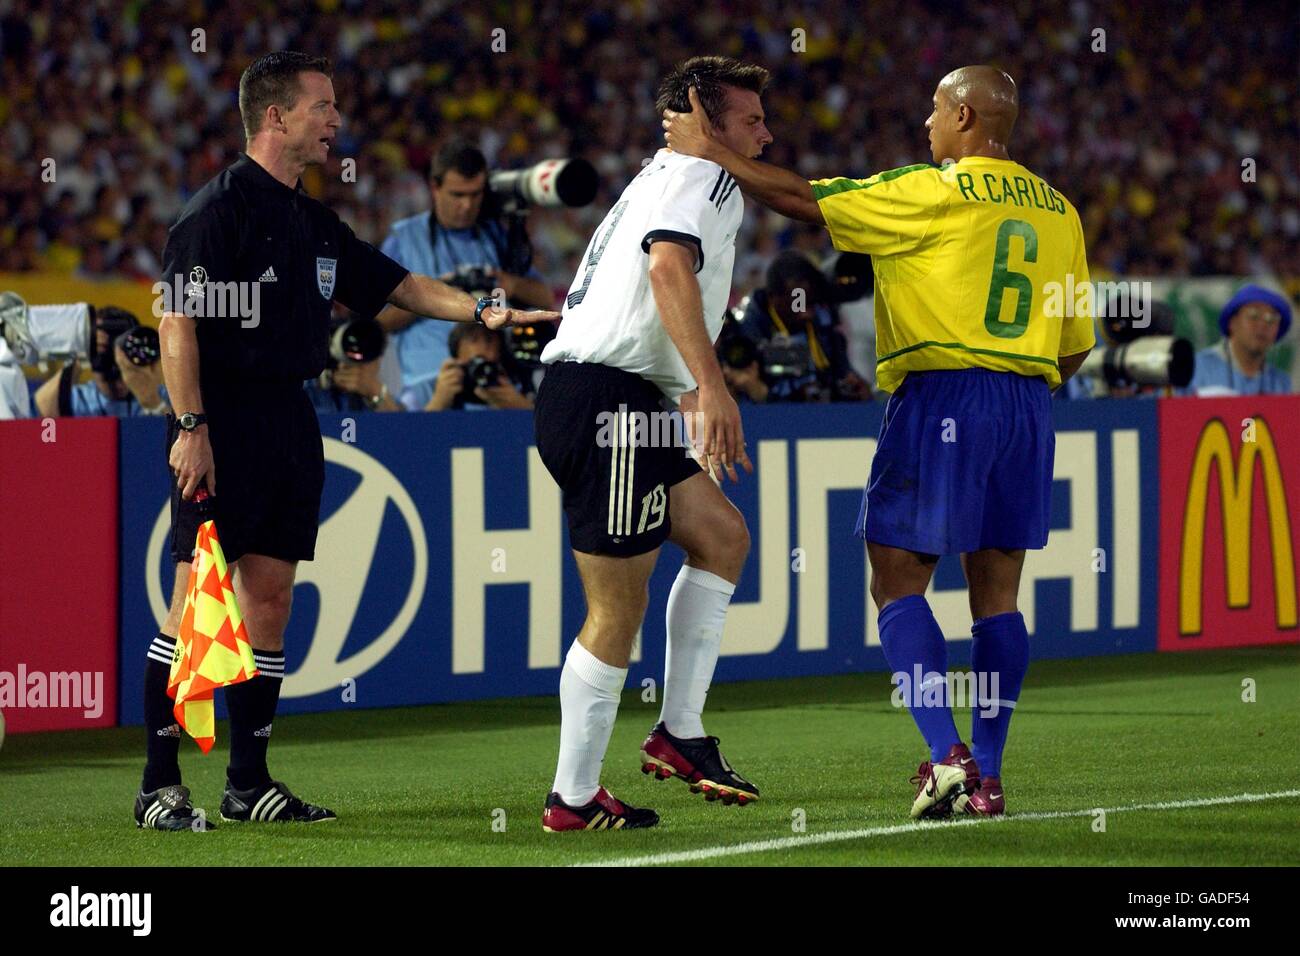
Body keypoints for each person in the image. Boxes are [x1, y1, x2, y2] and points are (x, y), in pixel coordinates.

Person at [139, 51, 556, 832]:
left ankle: (247, 782)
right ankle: (159, 786)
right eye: (323, 107)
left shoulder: (314, 220)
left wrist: (484, 311)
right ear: (276, 117)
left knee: (270, 599)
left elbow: (399, 286)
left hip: (291, 419)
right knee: (198, 605)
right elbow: (177, 323)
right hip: (220, 419)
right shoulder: (215, 211)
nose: (337, 122)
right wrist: (191, 427)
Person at [665, 64, 1095, 818]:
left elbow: (802, 200)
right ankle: (987, 778)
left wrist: (714, 150)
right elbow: (1075, 346)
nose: (926, 124)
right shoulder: (1061, 211)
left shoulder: (934, 190)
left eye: (934, 109)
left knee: (897, 578)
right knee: (997, 595)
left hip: (943, 395)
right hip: (1027, 401)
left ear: (964, 116)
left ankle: (945, 754)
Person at [532, 55, 770, 832]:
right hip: (610, 400)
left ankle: (679, 731)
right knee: (615, 610)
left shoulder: (662, 175)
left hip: (618, 398)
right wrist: (709, 385)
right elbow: (668, 268)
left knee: (722, 537)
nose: (763, 134)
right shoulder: (699, 178)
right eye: (749, 120)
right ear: (704, 117)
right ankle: (571, 798)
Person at [377, 139, 555, 410]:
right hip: (431, 388)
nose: (467, 205)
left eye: (475, 194)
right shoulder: (404, 239)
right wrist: (429, 296)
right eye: (457, 195)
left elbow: (544, 296)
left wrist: (509, 283)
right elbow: (377, 323)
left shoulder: (495, 235)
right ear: (434, 188)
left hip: (494, 386)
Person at [732, 249, 870, 402]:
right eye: (796, 303)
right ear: (773, 297)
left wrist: (854, 386)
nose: (805, 312)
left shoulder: (822, 317)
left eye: (809, 302)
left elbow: (841, 372)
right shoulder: (744, 329)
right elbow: (746, 389)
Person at [33, 307, 169, 418]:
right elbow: (43, 420)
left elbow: (180, 437)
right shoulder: (77, 398)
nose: (110, 346)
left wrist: (152, 403)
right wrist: (80, 351)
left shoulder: (162, 395)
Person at [1182, 285, 1292, 396]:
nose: (1262, 325)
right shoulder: (1194, 369)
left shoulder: (1281, 383)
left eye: (1272, 319)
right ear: (1232, 322)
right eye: (1253, 315)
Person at [425, 323, 532, 411]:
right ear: (457, 352)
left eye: (489, 340)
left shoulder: (522, 383)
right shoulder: (428, 388)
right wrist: (439, 403)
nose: (482, 348)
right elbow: (416, 433)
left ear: (500, 351)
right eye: (474, 340)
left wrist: (519, 405)